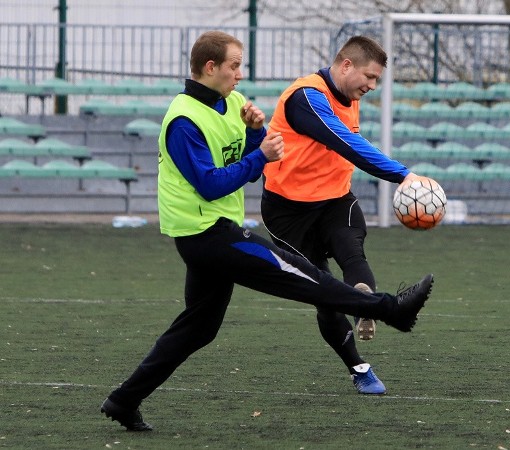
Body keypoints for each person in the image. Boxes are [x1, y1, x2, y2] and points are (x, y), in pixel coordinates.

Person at [100, 30, 433, 432]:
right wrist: (261, 152)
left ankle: (124, 400)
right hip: (205, 236)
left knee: (198, 329)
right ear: (211, 68)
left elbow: (246, 167)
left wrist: (257, 135)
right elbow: (210, 184)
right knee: (305, 275)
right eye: (235, 65)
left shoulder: (232, 104)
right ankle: (390, 310)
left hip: (219, 229)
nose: (241, 74)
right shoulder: (184, 120)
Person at [261, 35, 427, 395]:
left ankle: (362, 302)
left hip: (336, 200)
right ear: (346, 65)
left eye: (377, 80)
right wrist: (403, 175)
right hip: (289, 213)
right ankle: (359, 365)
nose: (372, 85)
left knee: (353, 254)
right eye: (369, 76)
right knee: (322, 289)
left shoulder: (351, 95)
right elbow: (346, 142)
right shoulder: (306, 97)